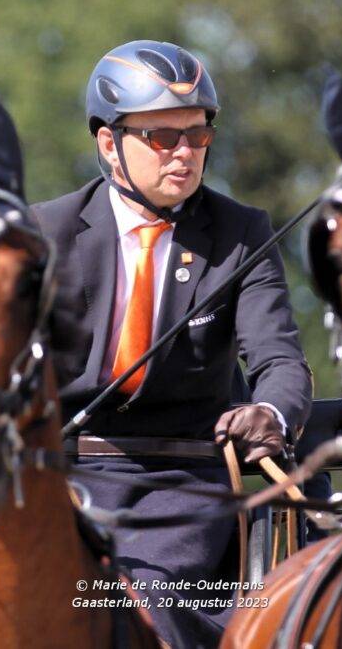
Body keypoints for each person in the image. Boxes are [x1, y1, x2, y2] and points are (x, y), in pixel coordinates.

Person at [32, 40, 312, 648]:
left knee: (138, 601)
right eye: (162, 137)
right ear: (109, 143)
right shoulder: (42, 234)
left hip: (182, 484)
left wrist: (269, 412)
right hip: (60, 476)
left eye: (198, 135)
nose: (185, 153)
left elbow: (279, 360)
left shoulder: (242, 234)